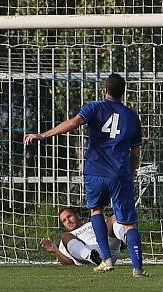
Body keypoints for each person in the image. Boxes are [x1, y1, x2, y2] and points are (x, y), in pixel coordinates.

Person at [24, 73, 149, 277]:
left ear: (105, 90)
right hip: (119, 174)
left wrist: (42, 135)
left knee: (96, 211)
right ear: (123, 93)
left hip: (95, 172)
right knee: (129, 223)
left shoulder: (95, 107)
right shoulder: (132, 116)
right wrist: (132, 172)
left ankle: (107, 261)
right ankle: (138, 268)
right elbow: (135, 153)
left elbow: (73, 123)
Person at [41, 207, 122, 266]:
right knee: (65, 235)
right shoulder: (67, 238)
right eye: (64, 220)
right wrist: (56, 251)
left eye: (69, 216)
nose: (68, 221)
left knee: (115, 218)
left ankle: (133, 245)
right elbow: (70, 263)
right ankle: (92, 257)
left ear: (77, 215)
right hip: (86, 258)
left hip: (107, 249)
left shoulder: (93, 223)